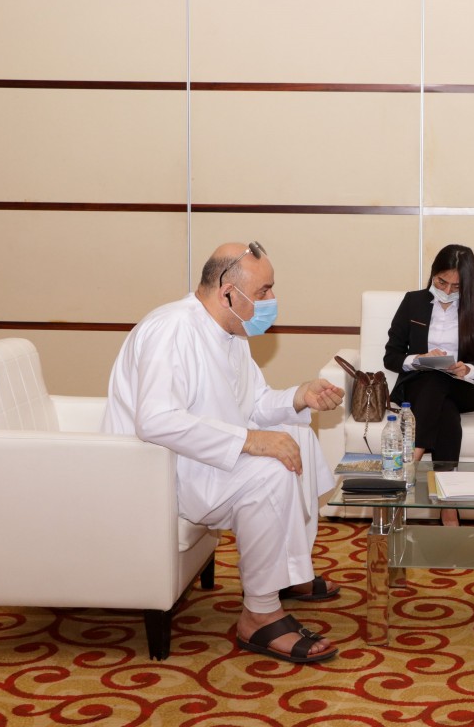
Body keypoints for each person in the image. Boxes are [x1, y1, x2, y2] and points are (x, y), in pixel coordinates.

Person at [102, 241, 346, 665]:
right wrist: (251, 441)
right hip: (159, 472)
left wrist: (300, 396)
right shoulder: (172, 329)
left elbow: (253, 404)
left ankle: (287, 573)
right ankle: (259, 615)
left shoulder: (230, 332)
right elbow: (156, 421)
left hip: (198, 460)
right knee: (272, 471)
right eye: (264, 290)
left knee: (297, 436)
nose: (272, 300)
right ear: (228, 292)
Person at [383, 244, 474, 526]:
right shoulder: (413, 302)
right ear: (433, 274)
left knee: (440, 380)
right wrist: (419, 359)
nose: (447, 291)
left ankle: (412, 457)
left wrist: (467, 369)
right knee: (444, 409)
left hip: (463, 388)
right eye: (441, 282)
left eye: (456, 286)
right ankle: (448, 505)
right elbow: (391, 356)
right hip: (421, 385)